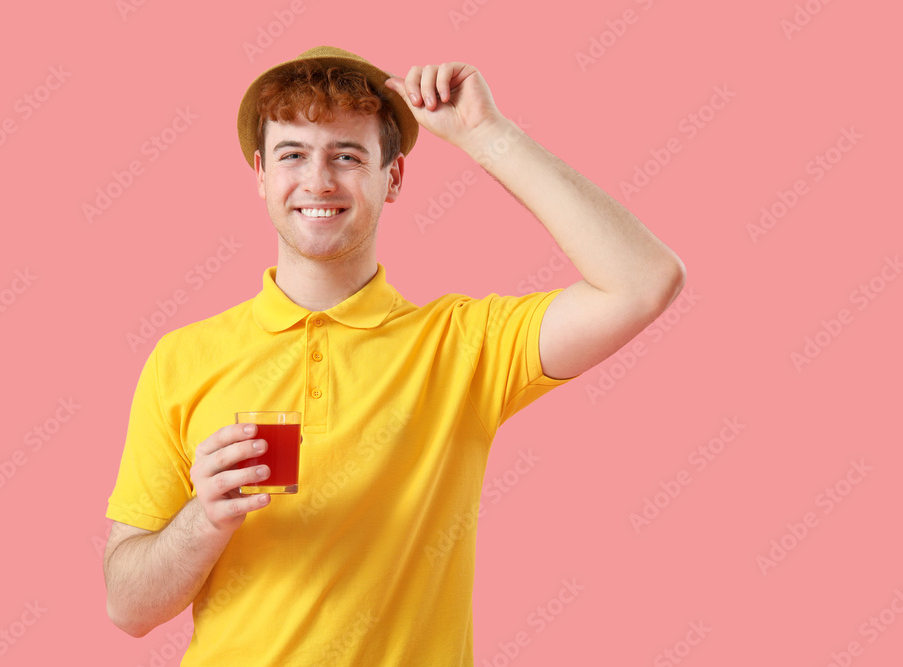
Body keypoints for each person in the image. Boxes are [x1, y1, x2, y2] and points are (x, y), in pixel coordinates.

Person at [103, 45, 685, 665]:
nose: (318, 181)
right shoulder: (182, 358)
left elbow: (644, 280)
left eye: (348, 156)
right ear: (261, 175)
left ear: (395, 176)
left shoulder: (464, 346)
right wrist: (203, 519)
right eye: (292, 155)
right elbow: (128, 608)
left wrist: (488, 135)